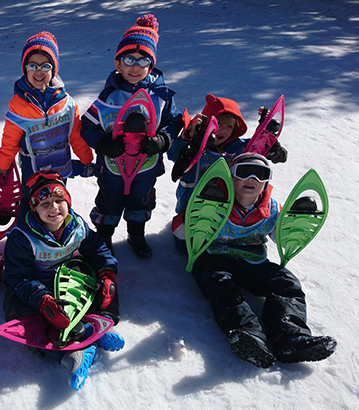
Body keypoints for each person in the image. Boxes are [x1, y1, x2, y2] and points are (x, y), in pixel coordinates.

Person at [189, 153, 336, 368]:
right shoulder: (215, 202)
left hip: (253, 260)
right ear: (231, 177)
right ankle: (247, 334)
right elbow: (184, 230)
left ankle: (288, 336)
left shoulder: (272, 209)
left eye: (260, 174)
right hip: (215, 257)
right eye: (244, 172)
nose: (252, 179)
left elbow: (280, 237)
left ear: (267, 181)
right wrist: (192, 222)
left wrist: (295, 226)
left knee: (286, 283)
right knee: (221, 284)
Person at [2, 170, 123, 390]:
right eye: (45, 203)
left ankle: (100, 323)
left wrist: (107, 273)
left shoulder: (77, 226)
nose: (54, 208)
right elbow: (17, 276)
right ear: (35, 209)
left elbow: (97, 249)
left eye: (59, 200)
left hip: (69, 277)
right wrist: (42, 300)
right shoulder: (22, 238)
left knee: (101, 282)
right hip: (38, 284)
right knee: (16, 307)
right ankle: (71, 356)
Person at [80, 14, 183, 258]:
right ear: (118, 64)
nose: (135, 66)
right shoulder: (109, 97)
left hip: (146, 166)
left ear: (151, 65)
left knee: (141, 201)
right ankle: (104, 236)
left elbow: (174, 120)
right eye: (129, 59)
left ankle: (136, 234)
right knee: (110, 201)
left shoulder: (160, 96)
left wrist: (164, 140)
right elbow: (87, 125)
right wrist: (103, 144)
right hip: (113, 166)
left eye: (143, 60)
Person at [168, 94, 288, 251]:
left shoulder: (238, 148)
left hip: (226, 210)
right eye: (218, 123)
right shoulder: (195, 145)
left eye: (229, 127)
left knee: (219, 236)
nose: (222, 130)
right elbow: (173, 154)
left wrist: (270, 142)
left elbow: (256, 151)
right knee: (186, 245)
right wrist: (188, 137)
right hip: (190, 205)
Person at [0, 31, 93, 195]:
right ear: (25, 69)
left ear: (54, 69)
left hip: (60, 166)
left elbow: (75, 135)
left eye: (45, 66)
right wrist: (3, 165)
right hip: (31, 167)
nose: (38, 72)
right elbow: (10, 140)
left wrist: (87, 159)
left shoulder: (66, 104)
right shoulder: (19, 105)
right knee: (30, 203)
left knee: (56, 203)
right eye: (32, 66)